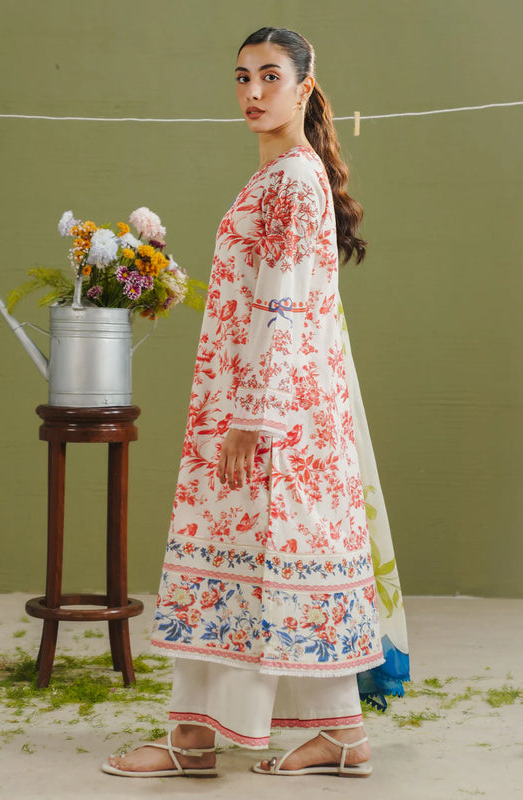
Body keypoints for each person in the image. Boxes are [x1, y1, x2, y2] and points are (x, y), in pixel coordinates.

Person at [103, 26, 409, 779]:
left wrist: (250, 419)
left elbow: (282, 306)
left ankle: (199, 738)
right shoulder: (278, 178)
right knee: (259, 563)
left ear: (305, 87)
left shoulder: (292, 181)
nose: (252, 91)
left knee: (259, 562)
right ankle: (325, 735)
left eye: (270, 76)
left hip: (269, 412)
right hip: (262, 402)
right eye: (242, 77)